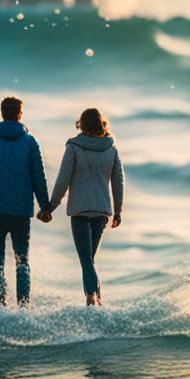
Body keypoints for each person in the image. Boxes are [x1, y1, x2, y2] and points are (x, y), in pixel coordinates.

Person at [0, 96, 51, 306]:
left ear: (2, 113)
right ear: (20, 114)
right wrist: (45, 207)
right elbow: (38, 177)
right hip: (21, 212)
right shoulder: (30, 142)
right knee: (22, 261)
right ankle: (23, 306)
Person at [47, 107, 124, 306]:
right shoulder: (111, 148)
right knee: (89, 259)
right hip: (102, 211)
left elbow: (63, 180)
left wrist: (50, 207)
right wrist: (118, 211)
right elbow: (118, 182)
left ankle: (91, 296)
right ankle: (97, 299)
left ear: (82, 123)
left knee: (86, 260)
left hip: (80, 211)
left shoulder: (74, 147)